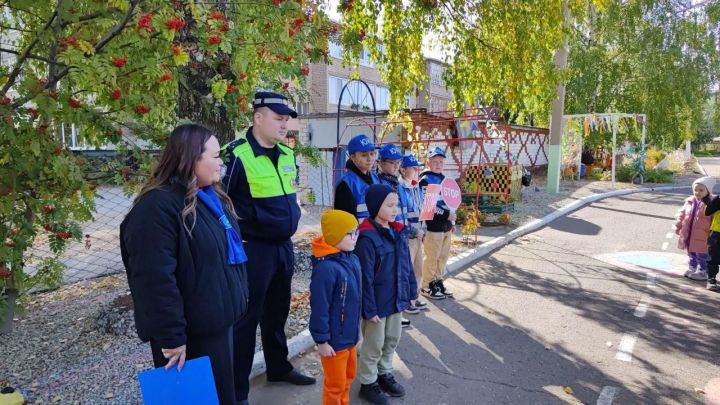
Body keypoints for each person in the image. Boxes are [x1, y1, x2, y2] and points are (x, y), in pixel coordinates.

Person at [120, 124, 249, 405]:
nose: (221, 163)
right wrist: (171, 336)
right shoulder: (157, 208)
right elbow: (154, 280)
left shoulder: (207, 198)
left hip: (216, 326)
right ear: (191, 158)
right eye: (215, 156)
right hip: (189, 338)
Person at [223, 91, 315, 404]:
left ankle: (278, 367)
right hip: (253, 250)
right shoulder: (235, 155)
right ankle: (237, 392)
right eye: (278, 118)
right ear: (258, 117)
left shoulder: (287, 154)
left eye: (286, 118)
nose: (284, 123)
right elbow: (218, 202)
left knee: (277, 312)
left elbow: (291, 195)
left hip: (283, 247)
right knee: (246, 321)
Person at [355, 184, 418, 405]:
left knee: (392, 339)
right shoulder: (367, 238)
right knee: (374, 344)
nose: (395, 209)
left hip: (396, 299)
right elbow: (365, 278)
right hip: (377, 304)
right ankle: (368, 383)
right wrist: (369, 309)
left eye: (396, 204)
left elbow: (406, 266)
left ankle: (384, 374)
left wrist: (411, 291)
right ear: (375, 207)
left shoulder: (398, 231)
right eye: (389, 205)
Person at [309, 209, 362, 405]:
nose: (356, 237)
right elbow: (320, 307)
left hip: (349, 337)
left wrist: (357, 333)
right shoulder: (326, 269)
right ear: (335, 235)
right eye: (351, 233)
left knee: (348, 378)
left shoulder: (352, 259)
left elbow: (356, 300)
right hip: (333, 341)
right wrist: (322, 341)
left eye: (357, 232)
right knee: (335, 384)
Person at [377, 144, 417, 325]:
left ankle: (398, 311)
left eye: (398, 163)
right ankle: (391, 313)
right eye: (391, 163)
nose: (395, 166)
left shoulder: (398, 185)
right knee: (390, 275)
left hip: (401, 234)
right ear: (381, 163)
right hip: (388, 236)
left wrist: (409, 229)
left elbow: (405, 211)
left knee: (402, 272)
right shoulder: (380, 184)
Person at [419, 146, 455, 300]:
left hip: (446, 227)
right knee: (432, 257)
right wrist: (447, 215)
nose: (438, 164)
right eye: (435, 161)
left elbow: (452, 202)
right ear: (429, 162)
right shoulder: (425, 180)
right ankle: (427, 286)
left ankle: (438, 281)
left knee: (443, 257)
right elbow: (429, 206)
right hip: (433, 227)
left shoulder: (445, 180)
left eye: (441, 161)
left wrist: (453, 221)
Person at [399, 153, 429, 312]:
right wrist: (413, 231)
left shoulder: (417, 187)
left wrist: (423, 230)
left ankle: (414, 297)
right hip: (408, 237)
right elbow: (401, 216)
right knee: (407, 270)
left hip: (419, 236)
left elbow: (422, 211)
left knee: (418, 268)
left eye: (418, 168)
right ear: (403, 170)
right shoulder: (401, 189)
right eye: (414, 168)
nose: (418, 171)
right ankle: (405, 301)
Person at [675, 176, 714, 281]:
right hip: (690, 233)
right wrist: (678, 226)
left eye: (701, 190)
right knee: (691, 251)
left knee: (702, 253)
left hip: (704, 234)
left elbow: (714, 219)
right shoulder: (690, 201)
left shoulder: (711, 203)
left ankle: (703, 271)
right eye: (695, 190)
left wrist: (713, 233)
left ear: (708, 190)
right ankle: (692, 267)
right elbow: (682, 214)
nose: (698, 192)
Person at [334, 134, 380, 219]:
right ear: (353, 157)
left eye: (372, 153)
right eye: (364, 155)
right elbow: (345, 223)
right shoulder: (345, 185)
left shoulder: (376, 178)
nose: (369, 159)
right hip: (360, 232)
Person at [702, 178, 720, 291]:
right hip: (717, 232)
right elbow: (707, 212)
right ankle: (711, 279)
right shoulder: (718, 199)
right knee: (713, 256)